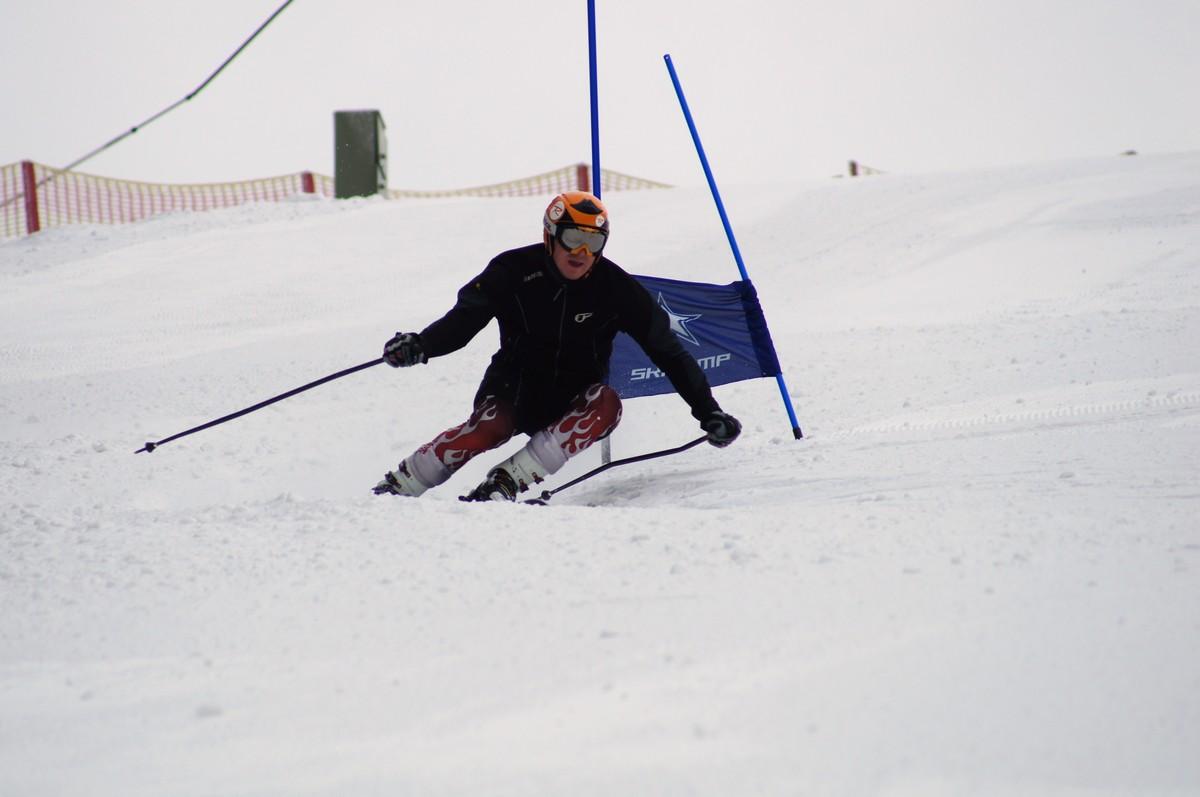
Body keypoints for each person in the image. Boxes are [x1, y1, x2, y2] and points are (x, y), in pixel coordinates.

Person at [372, 190, 741, 502]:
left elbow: (668, 352)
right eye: (571, 238)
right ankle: (401, 485)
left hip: (573, 397)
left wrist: (708, 411)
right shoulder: (513, 269)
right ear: (550, 235)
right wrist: (420, 345)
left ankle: (506, 482)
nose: (581, 251)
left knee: (607, 404)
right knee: (492, 427)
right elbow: (463, 321)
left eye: (593, 242)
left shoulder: (616, 287)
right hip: (512, 386)